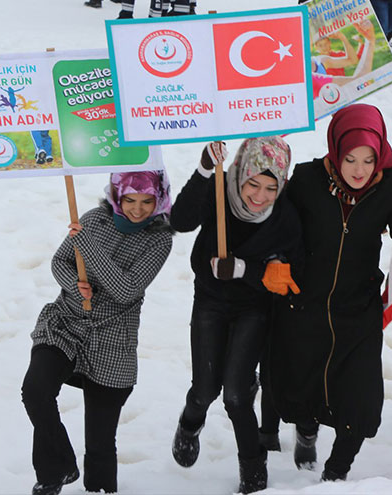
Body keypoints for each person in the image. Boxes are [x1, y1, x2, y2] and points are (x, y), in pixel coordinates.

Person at [266, 104, 392, 482]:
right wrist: (276, 259)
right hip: (303, 305)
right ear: (336, 150)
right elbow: (280, 228)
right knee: (300, 385)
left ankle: (336, 474)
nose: (359, 169)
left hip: (358, 310)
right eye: (350, 158)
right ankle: (306, 430)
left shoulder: (390, 186)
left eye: (369, 159)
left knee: (360, 399)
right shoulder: (307, 179)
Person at [22, 171, 173, 495]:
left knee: (101, 442)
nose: (137, 209)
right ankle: (54, 472)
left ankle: (99, 489)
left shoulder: (159, 239)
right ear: (117, 196)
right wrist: (77, 291)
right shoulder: (92, 219)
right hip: (66, 323)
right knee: (36, 391)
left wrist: (88, 249)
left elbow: (126, 289)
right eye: (129, 200)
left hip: (113, 340)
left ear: (158, 200)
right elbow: (61, 262)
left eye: (147, 201)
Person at [168, 137, 301, 494]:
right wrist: (203, 170)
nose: (259, 196)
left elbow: (289, 272)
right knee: (206, 389)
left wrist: (245, 270)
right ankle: (190, 422)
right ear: (240, 173)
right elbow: (179, 221)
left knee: (237, 396)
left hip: (254, 306)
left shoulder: (285, 217)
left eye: (271, 188)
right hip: (211, 300)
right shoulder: (218, 192)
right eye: (252, 184)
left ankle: (254, 474)